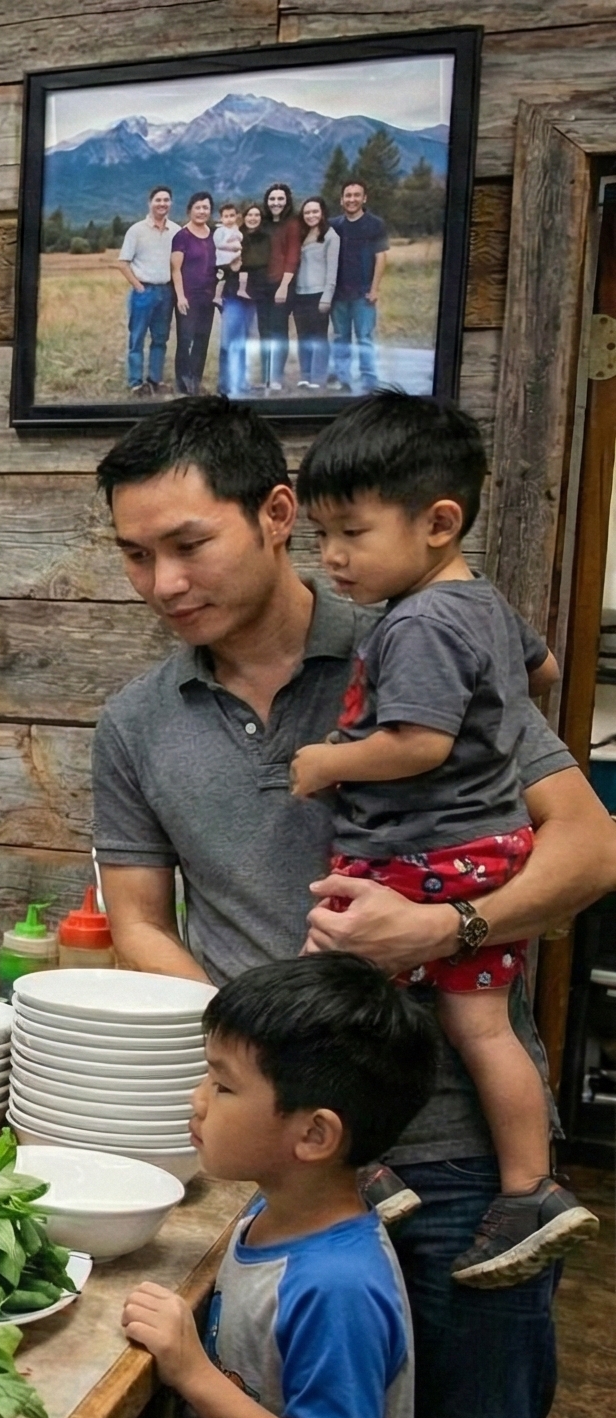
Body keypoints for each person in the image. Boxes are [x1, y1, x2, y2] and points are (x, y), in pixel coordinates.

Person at [87, 395, 616, 1418]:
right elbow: (137, 922)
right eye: (135, 556)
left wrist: (447, 931)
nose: (163, 584)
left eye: (188, 545)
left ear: (277, 514)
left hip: (453, 1152)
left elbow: (588, 847)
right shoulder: (136, 721)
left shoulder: (420, 639)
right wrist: (266, 1050)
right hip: (283, 1167)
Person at [289, 393, 598, 1283]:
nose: (333, 559)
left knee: (331, 994)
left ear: (438, 521)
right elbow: (538, 669)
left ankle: (359, 1160)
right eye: (323, 535)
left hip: (417, 856)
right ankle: (530, 1187)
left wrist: (330, 763)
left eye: (351, 532)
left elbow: (418, 742)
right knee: (480, 1024)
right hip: (487, 848)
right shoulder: (483, 603)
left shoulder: (418, 621)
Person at [124, 953, 434, 1418]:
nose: (198, 1099)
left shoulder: (336, 1286)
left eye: (222, 1085)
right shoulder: (273, 1213)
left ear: (314, 1134)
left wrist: (193, 1372)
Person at [331, 180, 391, 392]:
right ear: (341, 200)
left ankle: (368, 379)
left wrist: (374, 288)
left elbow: (381, 257)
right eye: (348, 195)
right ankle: (343, 378)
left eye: (357, 195)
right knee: (340, 337)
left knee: (365, 337)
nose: (352, 199)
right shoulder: (334, 225)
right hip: (338, 293)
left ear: (364, 198)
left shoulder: (375, 224)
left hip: (363, 291)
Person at [119, 187, 180, 396]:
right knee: (137, 338)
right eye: (158, 200)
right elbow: (123, 263)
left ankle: (155, 379)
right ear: (150, 203)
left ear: (171, 203)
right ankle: (136, 383)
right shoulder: (136, 230)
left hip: (166, 292)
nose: (162, 204)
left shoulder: (176, 231)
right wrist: (138, 287)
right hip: (144, 292)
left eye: (166, 200)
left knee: (161, 338)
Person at [170, 192, 220, 395]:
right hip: (188, 296)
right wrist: (180, 296)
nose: (202, 211)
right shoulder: (182, 236)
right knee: (186, 340)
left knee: (202, 339)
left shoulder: (214, 235)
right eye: (198, 207)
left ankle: (196, 380)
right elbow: (175, 269)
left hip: (208, 296)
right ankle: (183, 383)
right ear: (190, 209)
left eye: (206, 208)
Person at [257, 183, 301, 393]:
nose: (276, 203)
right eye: (272, 199)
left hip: (281, 284)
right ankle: (265, 376)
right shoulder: (263, 224)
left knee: (278, 331)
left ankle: (276, 377)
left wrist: (284, 286)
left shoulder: (292, 224)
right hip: (262, 285)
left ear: (287, 201)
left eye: (280, 199)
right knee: (263, 331)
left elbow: (293, 256)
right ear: (267, 201)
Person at [291, 197, 337, 391]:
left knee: (319, 337)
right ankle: (305, 376)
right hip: (299, 294)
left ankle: (318, 377)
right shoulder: (300, 235)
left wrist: (327, 297)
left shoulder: (331, 236)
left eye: (315, 212)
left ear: (322, 213)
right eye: (307, 212)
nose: (311, 215)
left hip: (319, 294)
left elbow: (332, 270)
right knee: (303, 336)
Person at [214, 201, 253, 398]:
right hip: (228, 281)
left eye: (232, 215)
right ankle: (225, 384)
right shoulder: (220, 232)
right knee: (229, 340)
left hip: (248, 294)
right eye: (225, 216)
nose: (229, 219)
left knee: (244, 339)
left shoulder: (241, 232)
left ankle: (240, 381)